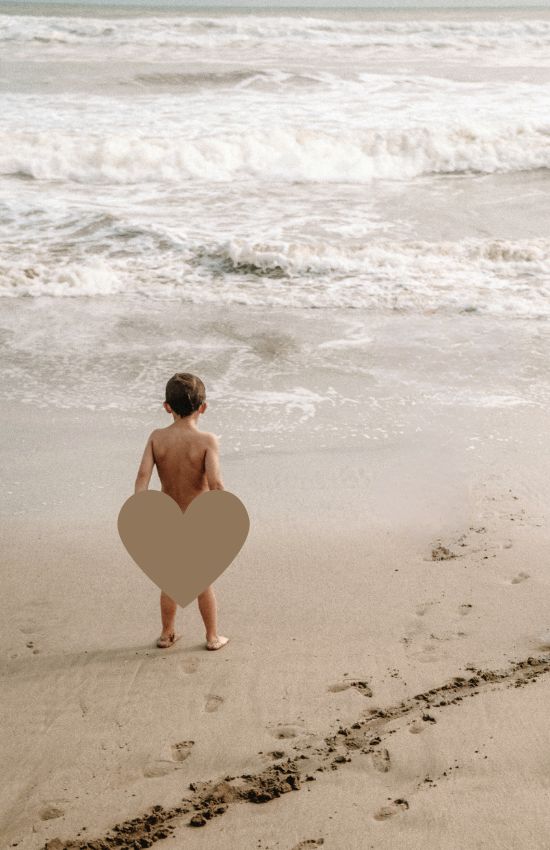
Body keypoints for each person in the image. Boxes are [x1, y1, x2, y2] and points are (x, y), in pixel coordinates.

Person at [134, 372, 229, 651]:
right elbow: (215, 483)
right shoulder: (207, 441)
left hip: (168, 521)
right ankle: (212, 637)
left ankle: (166, 634)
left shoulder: (157, 438)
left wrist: (139, 511)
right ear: (204, 407)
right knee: (203, 582)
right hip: (197, 521)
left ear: (166, 406)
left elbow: (142, 477)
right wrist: (224, 516)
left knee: (169, 580)